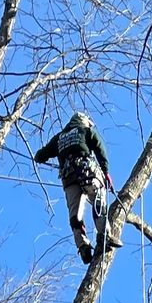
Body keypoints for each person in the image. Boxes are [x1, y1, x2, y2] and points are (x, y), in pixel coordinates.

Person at [34, 109, 115, 263]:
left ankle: (82, 245)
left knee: (75, 213)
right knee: (98, 200)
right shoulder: (86, 131)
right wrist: (105, 172)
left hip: (69, 178)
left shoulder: (59, 138)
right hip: (87, 172)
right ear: (84, 122)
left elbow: (41, 155)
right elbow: (99, 148)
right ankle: (104, 235)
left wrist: (39, 157)